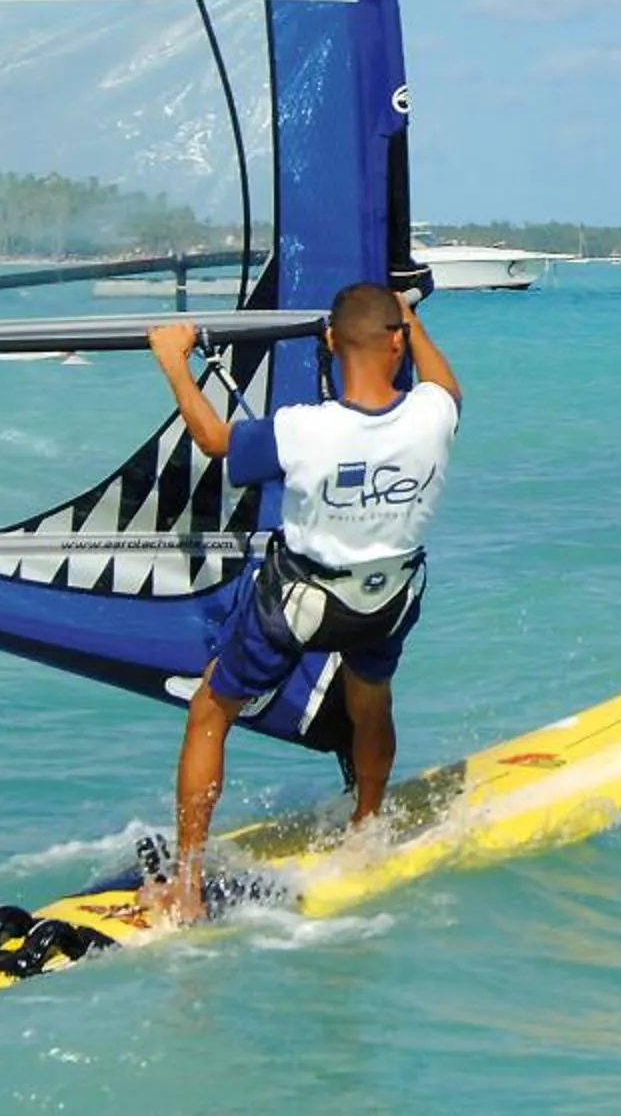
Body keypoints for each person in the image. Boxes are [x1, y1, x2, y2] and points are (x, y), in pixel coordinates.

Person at [138, 281, 462, 923]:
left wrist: (173, 360)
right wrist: (412, 320)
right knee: (371, 700)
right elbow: (444, 383)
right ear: (396, 341)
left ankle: (189, 885)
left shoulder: (303, 430)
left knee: (210, 710)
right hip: (387, 600)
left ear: (330, 342)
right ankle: (366, 831)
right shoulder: (435, 416)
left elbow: (212, 438)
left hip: (301, 604)